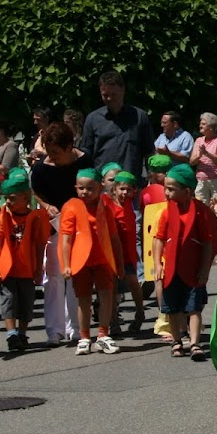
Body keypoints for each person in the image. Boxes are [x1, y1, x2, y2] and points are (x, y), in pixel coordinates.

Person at [31, 122, 93, 346]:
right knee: (54, 277)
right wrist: (46, 206)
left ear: (69, 147)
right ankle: (54, 331)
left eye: (56, 152)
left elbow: (93, 187)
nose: (52, 157)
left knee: (76, 276)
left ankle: (75, 328)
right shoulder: (41, 169)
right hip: (55, 226)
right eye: (49, 151)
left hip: (80, 225)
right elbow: (36, 191)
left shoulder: (85, 161)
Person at [153, 165, 217, 362]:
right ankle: (177, 341)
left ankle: (195, 343)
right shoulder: (166, 212)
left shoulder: (199, 212)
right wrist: (158, 264)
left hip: (193, 270)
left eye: (171, 189)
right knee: (172, 308)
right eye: (166, 188)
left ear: (187, 191)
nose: (167, 192)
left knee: (194, 308)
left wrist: (205, 269)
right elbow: (158, 239)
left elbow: (207, 243)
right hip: (172, 270)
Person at [59, 168, 123, 356]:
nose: (84, 192)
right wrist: (66, 264)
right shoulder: (71, 207)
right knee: (83, 299)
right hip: (81, 262)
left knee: (105, 296)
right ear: (75, 188)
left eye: (89, 188)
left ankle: (103, 335)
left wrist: (118, 263)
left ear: (100, 187)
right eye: (81, 188)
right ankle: (84, 337)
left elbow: (113, 238)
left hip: (103, 260)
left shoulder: (105, 207)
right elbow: (66, 239)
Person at [0, 172, 49, 352]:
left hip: (27, 270)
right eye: (6, 198)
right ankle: (11, 334)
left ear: (25, 197)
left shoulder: (35, 217)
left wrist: (39, 268)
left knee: (26, 304)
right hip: (8, 269)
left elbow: (39, 245)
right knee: (8, 302)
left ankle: (22, 333)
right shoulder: (4, 216)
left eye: (12, 198)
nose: (8, 202)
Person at [80, 72, 154, 176]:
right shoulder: (93, 119)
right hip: (102, 184)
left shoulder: (139, 117)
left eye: (113, 94)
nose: (109, 99)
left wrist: (151, 178)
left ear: (123, 90)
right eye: (105, 95)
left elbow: (148, 152)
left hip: (130, 185)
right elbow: (86, 153)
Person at [110, 171, 146, 333]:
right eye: (122, 189)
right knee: (111, 288)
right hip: (111, 253)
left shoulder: (131, 207)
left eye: (129, 190)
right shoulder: (108, 206)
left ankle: (140, 313)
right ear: (115, 189)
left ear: (134, 192)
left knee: (133, 283)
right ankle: (113, 321)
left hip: (128, 254)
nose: (125, 193)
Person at [190, 112, 217, 209]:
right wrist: (200, 155)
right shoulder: (199, 140)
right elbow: (192, 161)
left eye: (203, 124)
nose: (200, 126)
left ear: (211, 127)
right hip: (201, 180)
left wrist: (206, 153)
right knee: (200, 207)